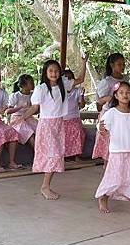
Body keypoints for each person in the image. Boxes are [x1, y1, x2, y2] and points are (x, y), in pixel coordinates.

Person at [25, 58, 87, 200]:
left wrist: (84, 62)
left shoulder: (63, 85)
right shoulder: (41, 89)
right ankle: (45, 187)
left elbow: (81, 79)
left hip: (59, 124)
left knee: (57, 154)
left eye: (56, 71)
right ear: (45, 73)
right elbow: (35, 107)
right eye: (51, 71)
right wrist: (22, 117)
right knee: (52, 154)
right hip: (47, 125)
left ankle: (46, 186)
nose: (54, 73)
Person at [95, 81, 130, 216]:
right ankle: (103, 197)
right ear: (116, 96)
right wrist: (100, 129)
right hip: (117, 152)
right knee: (114, 178)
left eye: (128, 92)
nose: (125, 95)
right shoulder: (112, 112)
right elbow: (101, 127)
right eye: (122, 93)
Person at [93, 53, 126, 164]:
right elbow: (99, 104)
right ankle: (107, 164)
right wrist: (107, 99)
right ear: (112, 65)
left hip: (122, 114)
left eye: (123, 64)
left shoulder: (125, 79)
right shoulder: (106, 82)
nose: (122, 66)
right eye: (119, 64)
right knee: (108, 139)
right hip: (109, 113)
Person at [7, 74, 38, 148]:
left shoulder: (33, 95)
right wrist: (20, 107)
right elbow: (8, 111)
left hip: (29, 118)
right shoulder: (15, 96)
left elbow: (35, 111)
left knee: (40, 129)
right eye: (31, 83)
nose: (33, 84)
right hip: (17, 119)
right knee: (30, 134)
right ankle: (37, 154)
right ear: (23, 86)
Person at [63, 69, 86, 162]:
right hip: (63, 118)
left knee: (78, 131)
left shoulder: (77, 91)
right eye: (66, 78)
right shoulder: (59, 91)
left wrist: (82, 96)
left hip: (74, 117)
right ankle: (63, 155)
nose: (68, 80)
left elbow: (82, 105)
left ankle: (77, 155)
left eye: (70, 78)